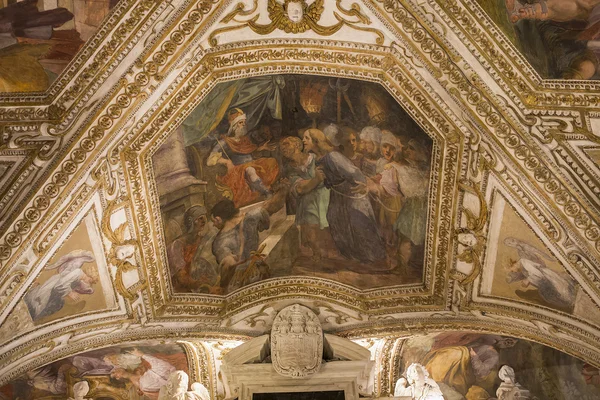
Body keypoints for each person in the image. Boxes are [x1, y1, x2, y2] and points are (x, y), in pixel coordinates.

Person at [303, 128, 386, 264]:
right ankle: (353, 257)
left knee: (358, 223)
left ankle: (374, 258)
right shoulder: (318, 160)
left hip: (351, 193)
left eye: (306, 138)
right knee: (336, 220)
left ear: (316, 140)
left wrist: (363, 185)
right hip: (337, 195)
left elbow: (354, 172)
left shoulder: (332, 156)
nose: (303, 141)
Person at [210, 181, 288, 293]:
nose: (214, 224)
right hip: (258, 272)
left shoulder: (219, 241)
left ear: (218, 219)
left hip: (239, 282)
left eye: (214, 221)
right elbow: (273, 205)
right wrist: (283, 190)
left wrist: (222, 285)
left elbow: (228, 263)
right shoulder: (251, 217)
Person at [207, 108, 279, 207]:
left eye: (244, 122)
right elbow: (210, 160)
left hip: (252, 163)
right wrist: (227, 161)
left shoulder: (244, 140)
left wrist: (259, 149)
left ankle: (259, 190)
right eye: (240, 122)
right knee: (250, 170)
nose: (243, 125)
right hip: (238, 169)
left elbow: (248, 153)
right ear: (234, 125)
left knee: (270, 162)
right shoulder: (224, 142)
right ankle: (267, 192)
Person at [24, 250, 98, 321]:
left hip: (52, 285)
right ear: (89, 277)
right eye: (90, 281)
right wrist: (70, 292)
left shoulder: (78, 277)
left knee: (38, 303)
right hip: (52, 286)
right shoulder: (77, 272)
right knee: (37, 303)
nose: (88, 283)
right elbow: (60, 284)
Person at [392, 139, 430, 270]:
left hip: (424, 207)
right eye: (406, 148)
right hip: (412, 206)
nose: (407, 151)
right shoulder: (402, 169)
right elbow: (410, 189)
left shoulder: (426, 169)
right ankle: (402, 266)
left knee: (421, 239)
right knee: (405, 236)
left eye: (411, 148)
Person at [167, 205, 219, 293]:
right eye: (200, 218)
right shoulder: (176, 245)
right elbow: (181, 277)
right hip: (184, 290)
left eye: (204, 218)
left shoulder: (203, 241)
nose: (204, 221)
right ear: (191, 222)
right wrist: (200, 284)